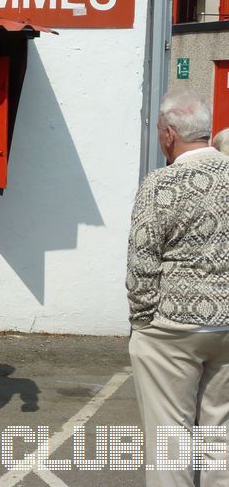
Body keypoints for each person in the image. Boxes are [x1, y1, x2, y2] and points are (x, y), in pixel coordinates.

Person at [126, 89, 229, 487]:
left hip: (173, 327)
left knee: (171, 438)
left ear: (169, 134)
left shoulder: (160, 185)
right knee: (220, 434)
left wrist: (143, 321)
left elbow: (141, 263)